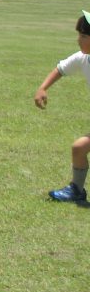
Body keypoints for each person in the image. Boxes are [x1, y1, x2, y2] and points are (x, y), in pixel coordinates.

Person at [34, 11, 90, 202]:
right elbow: (60, 69)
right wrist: (42, 88)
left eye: (83, 36)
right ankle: (76, 190)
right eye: (79, 34)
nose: (78, 40)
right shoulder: (83, 58)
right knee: (79, 148)